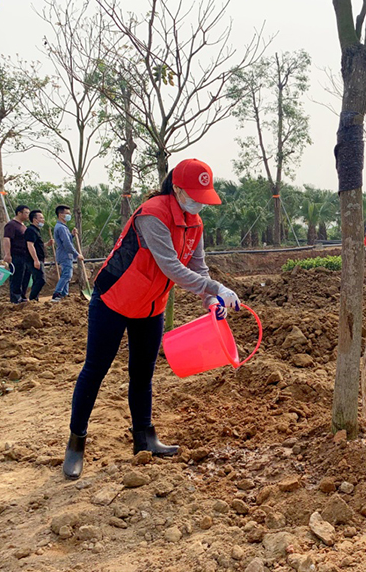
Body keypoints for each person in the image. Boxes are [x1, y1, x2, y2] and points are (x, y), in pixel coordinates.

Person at [62, 158, 242, 480]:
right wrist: (217, 287)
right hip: (113, 300)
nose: (199, 203)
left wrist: (209, 297)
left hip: (150, 306)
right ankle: (76, 443)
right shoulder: (152, 214)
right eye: (195, 195)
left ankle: (145, 440)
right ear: (177, 189)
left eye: (204, 197)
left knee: (143, 374)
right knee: (96, 369)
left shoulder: (195, 223)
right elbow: (170, 266)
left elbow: (198, 267)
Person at [51, 205, 83, 303]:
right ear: (60, 215)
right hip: (65, 255)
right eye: (67, 213)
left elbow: (67, 240)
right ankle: (57, 293)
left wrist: (72, 235)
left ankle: (65, 294)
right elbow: (67, 244)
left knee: (67, 274)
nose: (69, 215)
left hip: (65, 255)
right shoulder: (61, 228)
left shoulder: (63, 227)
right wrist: (76, 254)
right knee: (67, 275)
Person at [3, 204, 32, 303]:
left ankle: (22, 296)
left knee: (25, 276)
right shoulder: (11, 225)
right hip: (16, 254)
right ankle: (15, 298)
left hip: (25, 255)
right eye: (26, 213)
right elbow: (7, 239)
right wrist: (7, 254)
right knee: (17, 276)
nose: (28, 215)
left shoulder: (23, 226)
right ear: (19, 213)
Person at [24, 210, 53, 302]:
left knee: (37, 279)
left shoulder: (36, 231)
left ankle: (34, 298)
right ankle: (32, 299)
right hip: (33, 260)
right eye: (41, 218)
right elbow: (30, 245)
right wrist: (35, 260)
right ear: (34, 219)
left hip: (39, 258)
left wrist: (47, 244)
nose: (43, 220)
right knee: (41, 279)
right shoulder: (30, 230)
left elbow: (37, 245)